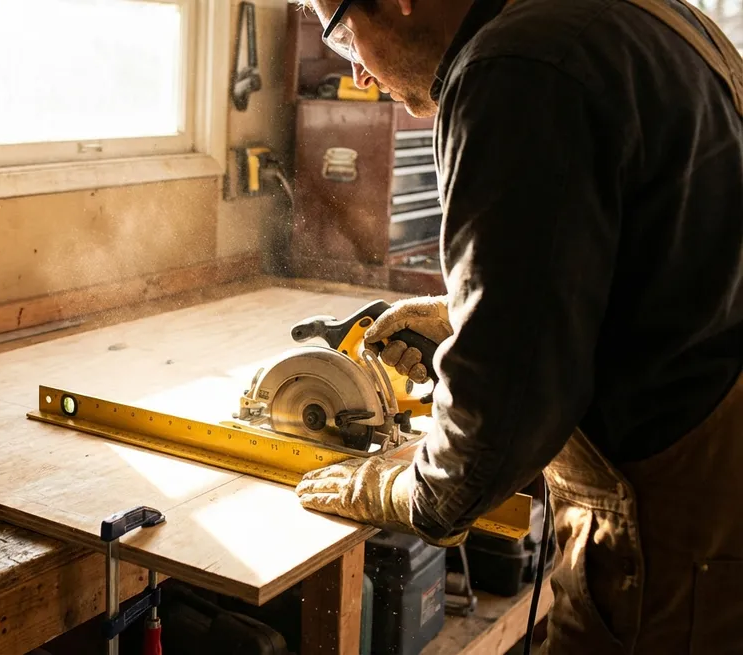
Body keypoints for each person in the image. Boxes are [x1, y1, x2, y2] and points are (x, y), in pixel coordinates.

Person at [293, 0, 743, 651]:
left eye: (343, 37)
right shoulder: (643, 17)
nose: (358, 74)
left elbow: (499, 416)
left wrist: (404, 490)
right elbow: (664, 262)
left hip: (674, 550)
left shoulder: (516, 68)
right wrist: (468, 316)